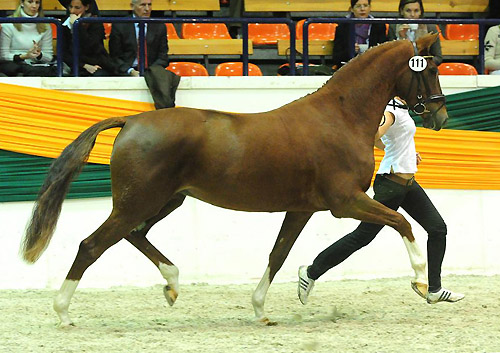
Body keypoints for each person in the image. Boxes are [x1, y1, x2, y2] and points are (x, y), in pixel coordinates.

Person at [298, 97, 465, 305]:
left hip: (408, 184)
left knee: (438, 228)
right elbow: (374, 135)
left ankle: (434, 289)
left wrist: (407, 154)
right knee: (362, 236)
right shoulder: (391, 111)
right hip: (391, 185)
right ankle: (311, 272)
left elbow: (385, 141)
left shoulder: (401, 108)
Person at [109, 0, 169, 77]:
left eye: (149, 5)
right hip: (127, 72)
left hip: (152, 71)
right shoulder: (120, 25)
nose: (147, 9)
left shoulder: (159, 26)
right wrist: (130, 71)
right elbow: (115, 57)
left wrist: (151, 71)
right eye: (143, 5)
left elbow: (163, 57)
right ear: (132, 6)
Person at [61, 0, 117, 76]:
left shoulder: (96, 23)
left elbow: (90, 48)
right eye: (70, 7)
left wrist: (77, 27)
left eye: (77, 8)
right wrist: (84, 66)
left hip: (96, 64)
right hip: (76, 65)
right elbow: (64, 53)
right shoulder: (65, 24)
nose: (72, 11)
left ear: (86, 7)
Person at [0, 0, 55, 77]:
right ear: (22, 3)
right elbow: (3, 56)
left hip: (35, 67)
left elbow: (49, 57)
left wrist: (39, 55)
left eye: (37, 2)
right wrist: (24, 56)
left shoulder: (46, 26)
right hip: (13, 66)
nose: (34, 6)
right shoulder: (8, 24)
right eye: (30, 2)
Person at [332, 0, 387, 69]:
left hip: (372, 65)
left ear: (370, 8)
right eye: (358, 6)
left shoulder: (378, 25)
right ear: (352, 9)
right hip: (348, 66)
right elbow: (336, 56)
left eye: (365, 6)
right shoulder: (343, 25)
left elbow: (383, 52)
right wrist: (350, 50)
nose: (362, 9)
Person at [388, 0, 442, 66]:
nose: (412, 15)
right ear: (402, 11)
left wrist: (419, 63)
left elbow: (438, 58)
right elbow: (390, 57)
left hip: (424, 70)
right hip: (401, 70)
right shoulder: (394, 27)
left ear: (420, 12)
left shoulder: (430, 28)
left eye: (416, 11)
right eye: (408, 11)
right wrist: (401, 37)